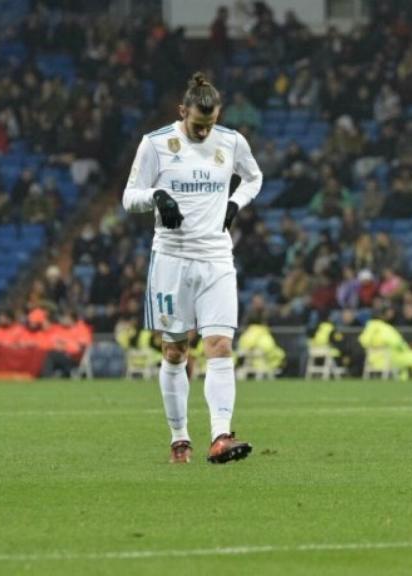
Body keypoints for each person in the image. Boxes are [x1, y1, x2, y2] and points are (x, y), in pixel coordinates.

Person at [122, 73, 263, 465]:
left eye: (210, 124)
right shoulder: (155, 145)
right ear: (182, 112)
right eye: (197, 125)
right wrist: (157, 196)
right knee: (174, 351)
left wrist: (235, 203)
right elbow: (128, 197)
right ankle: (179, 437)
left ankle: (221, 435)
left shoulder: (231, 142)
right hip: (171, 259)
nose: (204, 132)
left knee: (219, 345)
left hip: (217, 257)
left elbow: (255, 177)